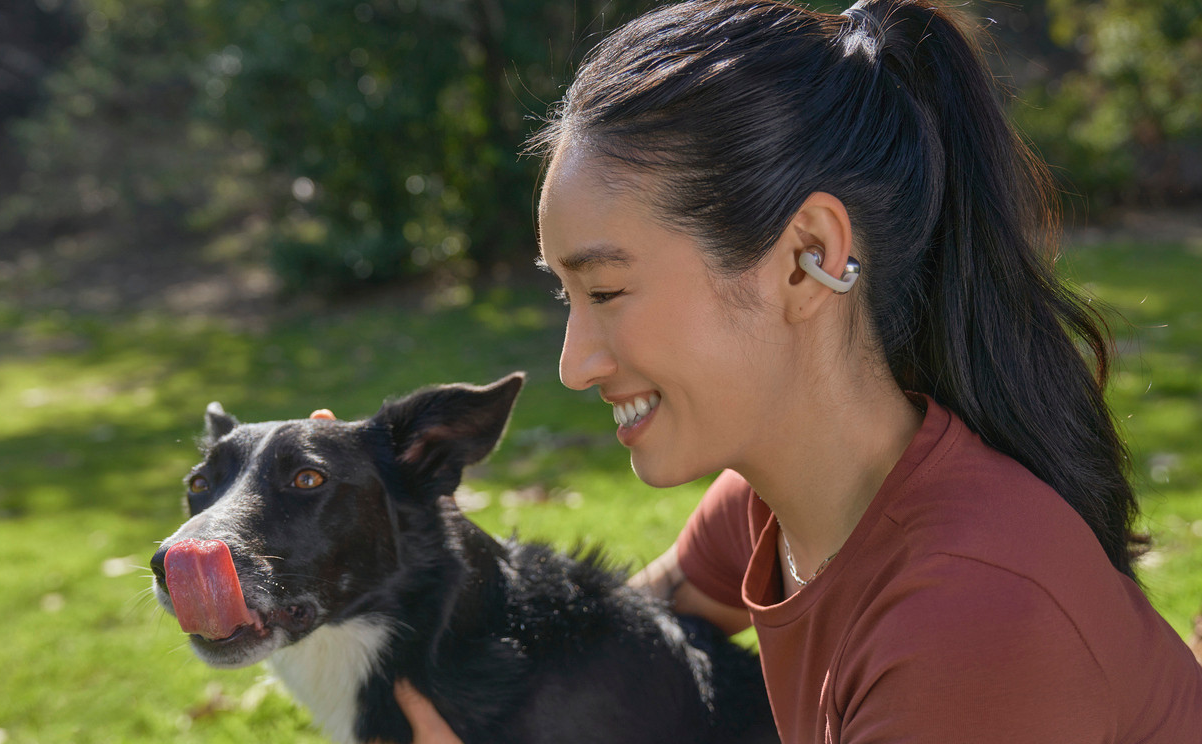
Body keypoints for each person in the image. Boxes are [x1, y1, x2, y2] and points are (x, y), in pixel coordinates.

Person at [375, 0, 1202, 741]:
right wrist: (360, 501)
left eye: (606, 291)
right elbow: (595, 646)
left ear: (809, 259)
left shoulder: (971, 619)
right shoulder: (776, 506)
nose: (573, 364)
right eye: (568, 297)